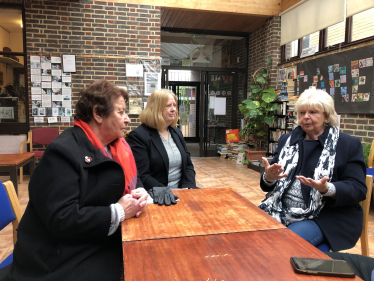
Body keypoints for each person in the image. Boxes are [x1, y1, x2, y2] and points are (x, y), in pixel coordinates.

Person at [0, 79, 148, 281]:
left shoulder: (115, 147)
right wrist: (119, 211)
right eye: (121, 112)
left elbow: (128, 180)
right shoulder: (62, 152)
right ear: (97, 114)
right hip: (58, 257)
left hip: (93, 240)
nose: (128, 119)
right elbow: (63, 218)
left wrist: (138, 191)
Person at [258, 88, 366, 252]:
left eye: (313, 112)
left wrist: (327, 189)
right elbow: (268, 184)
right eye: (301, 113)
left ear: (327, 116)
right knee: (250, 235)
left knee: (282, 246)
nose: (305, 117)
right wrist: (269, 177)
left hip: (326, 216)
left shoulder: (347, 144)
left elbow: (358, 189)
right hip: (280, 208)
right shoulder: (287, 140)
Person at [126, 89, 197, 205]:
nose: (173, 109)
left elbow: (188, 165)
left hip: (182, 192)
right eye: (168, 106)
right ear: (156, 109)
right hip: (157, 195)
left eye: (174, 105)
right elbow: (142, 175)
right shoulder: (139, 136)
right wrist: (166, 191)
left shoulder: (176, 133)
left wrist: (188, 187)